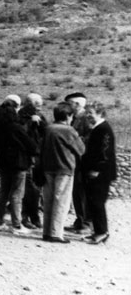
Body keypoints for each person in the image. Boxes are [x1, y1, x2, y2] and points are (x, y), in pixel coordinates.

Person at [39, 103, 85, 243]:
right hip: (64, 168)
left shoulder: (48, 129)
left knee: (48, 200)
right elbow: (81, 150)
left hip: (47, 168)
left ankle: (46, 231)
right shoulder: (69, 130)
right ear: (68, 116)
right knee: (61, 201)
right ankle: (56, 233)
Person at [0, 99, 38, 231]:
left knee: (3, 192)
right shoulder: (16, 127)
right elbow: (31, 145)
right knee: (17, 194)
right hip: (18, 163)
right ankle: (17, 224)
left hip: (3, 162)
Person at [80, 102, 117, 245]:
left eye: (91, 113)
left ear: (100, 113)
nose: (88, 115)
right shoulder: (97, 128)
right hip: (95, 172)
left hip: (100, 174)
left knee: (97, 203)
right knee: (93, 203)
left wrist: (97, 169)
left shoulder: (104, 129)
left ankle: (101, 232)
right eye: (87, 112)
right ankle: (97, 231)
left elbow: (105, 152)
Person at [19, 93, 47, 229]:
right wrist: (30, 122)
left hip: (38, 157)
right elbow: (21, 134)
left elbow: (46, 131)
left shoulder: (40, 116)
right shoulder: (21, 117)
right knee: (26, 189)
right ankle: (26, 217)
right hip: (25, 157)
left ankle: (34, 216)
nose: (40, 107)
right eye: (37, 105)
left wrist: (39, 122)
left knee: (35, 189)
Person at [65, 92, 90, 233]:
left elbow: (88, 139)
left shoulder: (86, 119)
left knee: (82, 193)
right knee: (77, 192)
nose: (68, 107)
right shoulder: (75, 118)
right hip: (75, 160)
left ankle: (86, 223)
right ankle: (80, 220)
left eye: (70, 104)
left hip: (83, 160)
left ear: (78, 104)